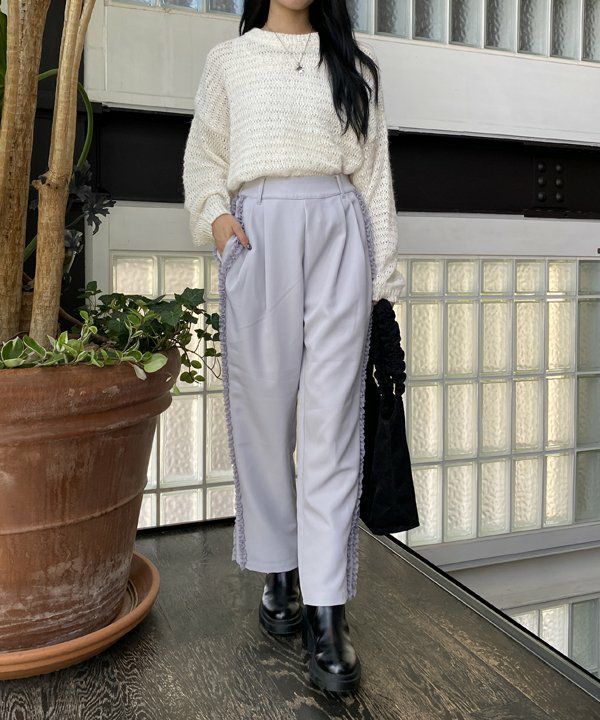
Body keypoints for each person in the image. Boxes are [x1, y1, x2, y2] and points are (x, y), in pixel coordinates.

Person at [182, 0, 405, 693]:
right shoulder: (230, 60)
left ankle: (327, 609)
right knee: (263, 412)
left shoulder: (355, 67)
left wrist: (382, 287)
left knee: (332, 422)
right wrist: (218, 222)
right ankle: (279, 566)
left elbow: (375, 181)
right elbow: (204, 159)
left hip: (340, 230)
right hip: (260, 236)